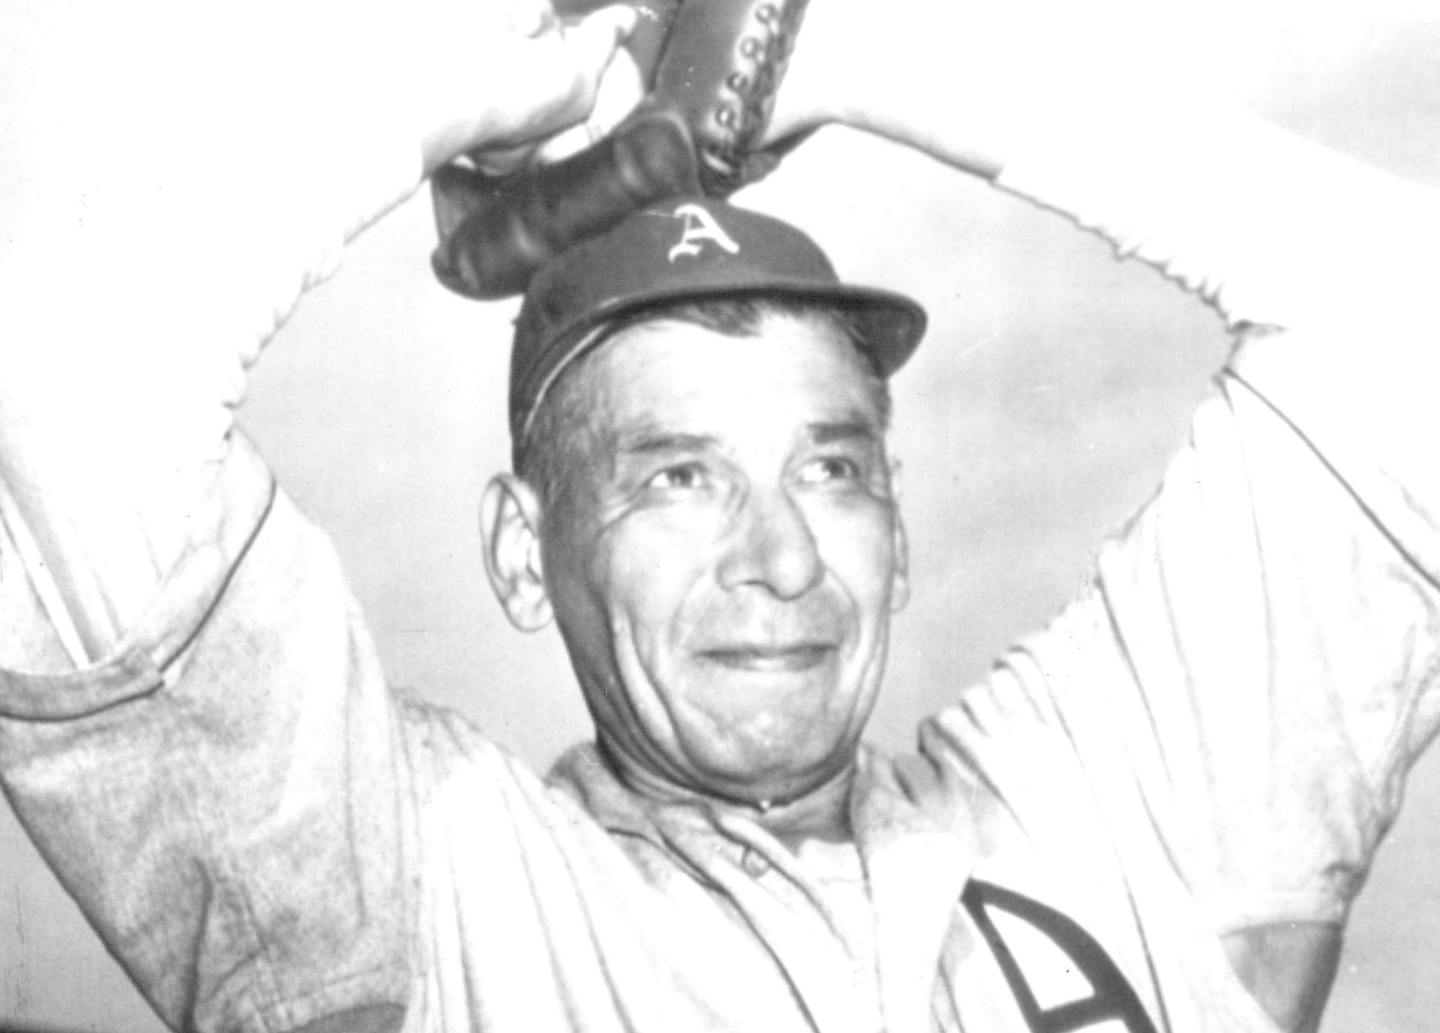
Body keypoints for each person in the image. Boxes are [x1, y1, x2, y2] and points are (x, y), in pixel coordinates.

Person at [2, 1, 1439, 1032]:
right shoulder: (434, 899)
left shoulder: (1105, 813)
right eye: (677, 475)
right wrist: (453, 85)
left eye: (831, 466)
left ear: (900, 512)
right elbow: (62, 405)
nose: (784, 557)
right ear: (524, 548)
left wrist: (862, 55)